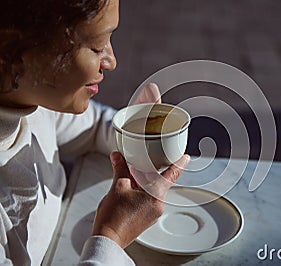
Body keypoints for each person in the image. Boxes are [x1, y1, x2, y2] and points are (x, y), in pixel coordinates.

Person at [0, 0, 189, 265]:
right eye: (98, 45)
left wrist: (135, 136)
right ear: (10, 50)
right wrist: (111, 236)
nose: (111, 61)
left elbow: (95, 126)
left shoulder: (38, 106)